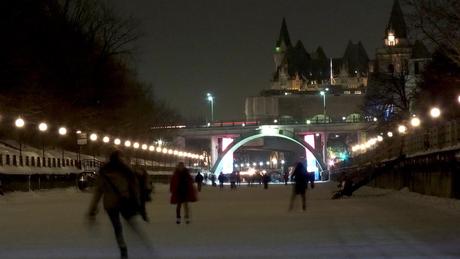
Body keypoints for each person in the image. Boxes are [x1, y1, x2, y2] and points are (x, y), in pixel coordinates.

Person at [87, 150, 147, 259]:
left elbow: (98, 191)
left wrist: (93, 208)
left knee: (116, 226)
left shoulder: (104, 171)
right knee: (131, 222)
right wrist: (137, 201)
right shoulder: (125, 170)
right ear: (119, 158)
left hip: (110, 203)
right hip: (124, 201)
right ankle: (142, 242)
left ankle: (122, 246)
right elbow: (135, 187)